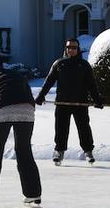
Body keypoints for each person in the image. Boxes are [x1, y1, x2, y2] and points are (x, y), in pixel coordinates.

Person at [0, 48, 42, 208]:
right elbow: (28, 95)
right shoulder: (16, 75)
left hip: (2, 109)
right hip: (27, 109)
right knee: (24, 150)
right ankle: (34, 194)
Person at [35, 37, 103, 165]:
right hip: (62, 103)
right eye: (69, 47)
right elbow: (49, 82)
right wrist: (41, 96)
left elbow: (91, 85)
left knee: (84, 128)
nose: (71, 50)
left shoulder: (84, 65)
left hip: (80, 103)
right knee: (61, 129)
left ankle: (88, 151)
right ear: (65, 49)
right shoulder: (59, 64)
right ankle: (59, 151)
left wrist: (97, 100)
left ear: (78, 50)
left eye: (74, 48)